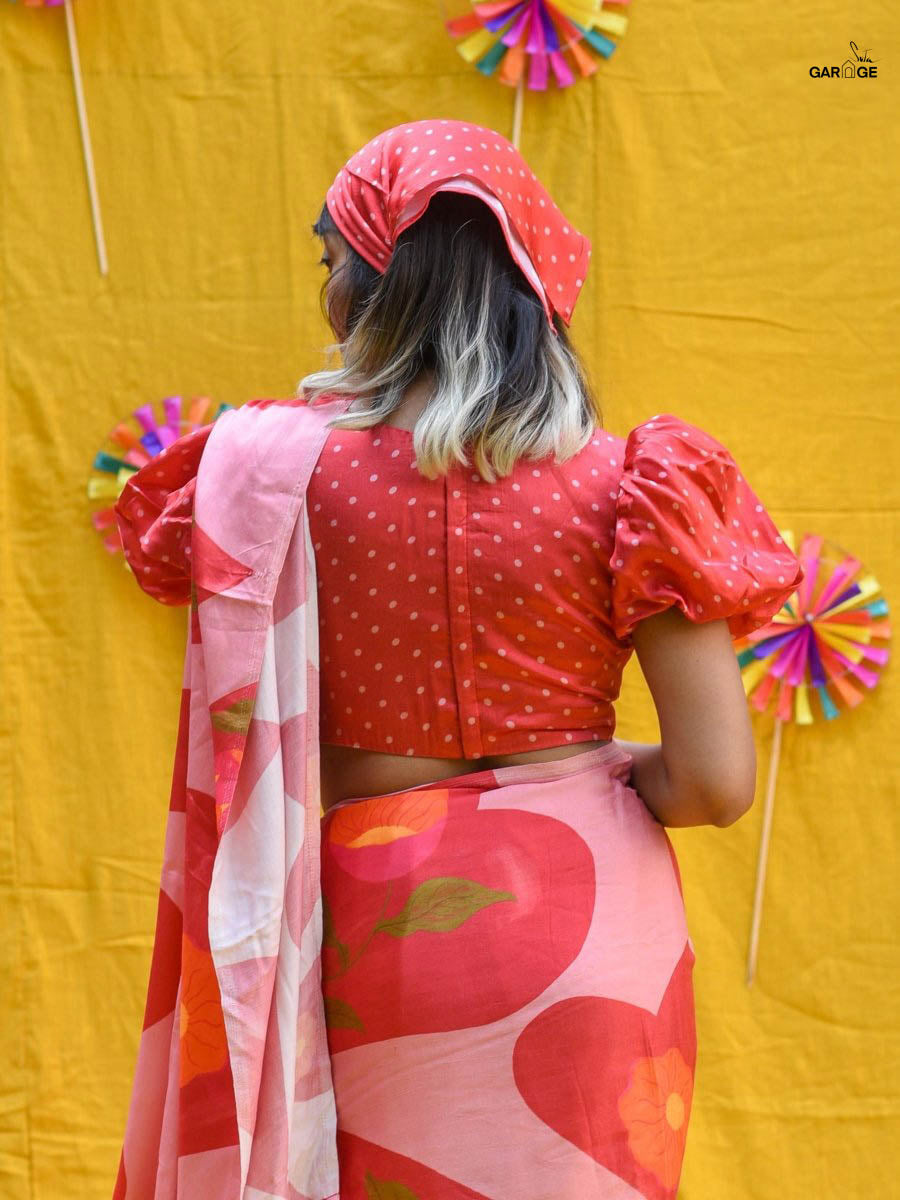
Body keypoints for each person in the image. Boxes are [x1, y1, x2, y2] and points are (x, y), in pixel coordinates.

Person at [112, 120, 804, 1199]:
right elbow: (714, 784)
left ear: (379, 283)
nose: (326, 289)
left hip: (377, 927)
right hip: (593, 931)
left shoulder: (275, 476)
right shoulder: (635, 485)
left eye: (332, 260)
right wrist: (598, 772)